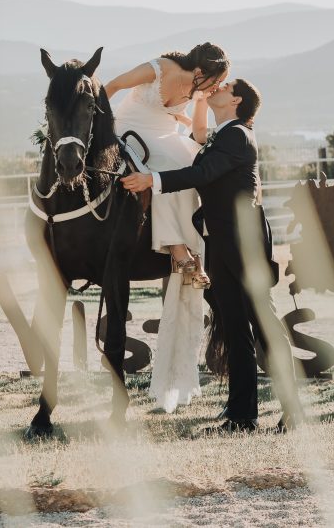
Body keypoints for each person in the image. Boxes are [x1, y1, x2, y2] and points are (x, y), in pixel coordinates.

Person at [121, 79, 304, 433]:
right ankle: (241, 417)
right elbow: (199, 140)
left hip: (243, 242)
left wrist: (152, 181)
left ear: (237, 99)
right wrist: (198, 101)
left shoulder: (238, 135)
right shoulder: (224, 134)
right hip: (220, 241)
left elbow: (201, 173)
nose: (217, 87)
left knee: (263, 324)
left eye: (226, 85)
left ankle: (293, 410)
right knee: (236, 330)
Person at [105, 42, 229, 413]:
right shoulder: (158, 69)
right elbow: (110, 87)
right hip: (129, 132)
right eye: (215, 80)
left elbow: (192, 125)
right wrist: (103, 129)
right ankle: (177, 247)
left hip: (162, 137)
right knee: (160, 168)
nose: (214, 86)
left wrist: (197, 109)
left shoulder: (196, 89)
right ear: (201, 70)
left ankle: (191, 244)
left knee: (184, 161)